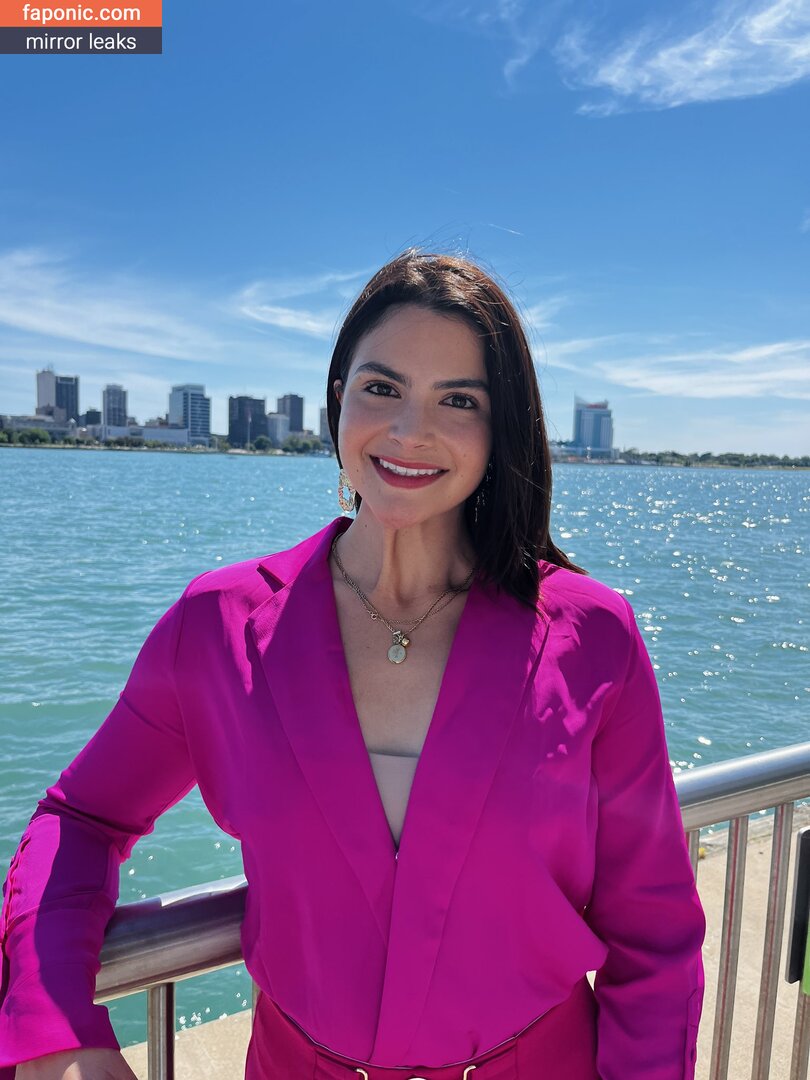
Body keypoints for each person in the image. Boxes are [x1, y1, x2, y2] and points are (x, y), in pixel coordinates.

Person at [0, 248, 706, 1080]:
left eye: (458, 400)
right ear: (338, 399)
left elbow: (653, 930)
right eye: (382, 387)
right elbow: (80, 819)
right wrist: (57, 1029)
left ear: (500, 428)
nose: (410, 431)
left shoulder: (593, 637)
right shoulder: (217, 626)